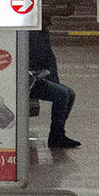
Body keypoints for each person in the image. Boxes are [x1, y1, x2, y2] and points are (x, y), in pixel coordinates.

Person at [29, 22, 80, 150]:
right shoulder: (34, 32)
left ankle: (58, 133)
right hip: (28, 80)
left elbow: (49, 58)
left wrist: (53, 81)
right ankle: (56, 136)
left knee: (69, 93)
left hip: (36, 78)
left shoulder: (40, 32)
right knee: (62, 94)